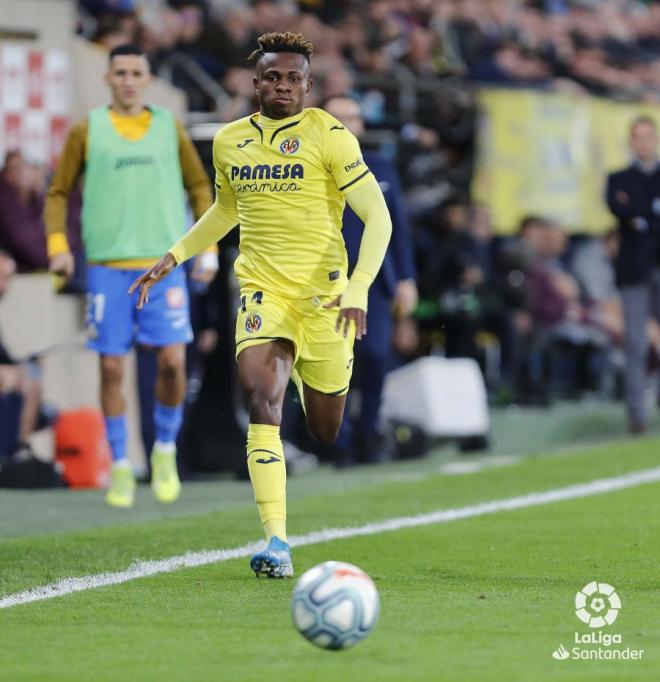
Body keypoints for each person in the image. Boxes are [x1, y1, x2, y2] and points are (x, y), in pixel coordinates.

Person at [130, 32, 392, 577]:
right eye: (273, 77)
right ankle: (277, 541)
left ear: (307, 86)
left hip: (325, 297)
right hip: (262, 291)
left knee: (324, 429)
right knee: (261, 397)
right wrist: (175, 254)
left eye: (293, 79)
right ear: (256, 83)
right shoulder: (229, 142)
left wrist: (359, 285)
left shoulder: (330, 135)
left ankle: (307, 372)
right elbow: (227, 211)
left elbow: (378, 217)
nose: (282, 86)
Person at [44, 44, 214, 507]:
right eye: (120, 72)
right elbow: (58, 191)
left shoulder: (167, 126)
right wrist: (59, 247)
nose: (128, 80)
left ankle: (164, 449)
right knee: (112, 366)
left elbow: (200, 186)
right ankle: (120, 463)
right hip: (106, 268)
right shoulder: (88, 129)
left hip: (164, 266)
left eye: (136, 72)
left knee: (174, 363)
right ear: (108, 78)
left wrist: (208, 246)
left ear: (147, 78)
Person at [323, 94, 417, 465]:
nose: (347, 124)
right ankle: (339, 442)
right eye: (337, 118)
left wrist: (406, 278)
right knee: (333, 362)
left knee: (376, 357)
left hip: (374, 281)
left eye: (353, 117)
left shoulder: (380, 167)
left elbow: (399, 227)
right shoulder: (311, 168)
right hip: (326, 282)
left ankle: (368, 434)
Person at [606, 116, 660, 434]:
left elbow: (634, 215)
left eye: (648, 136)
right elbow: (621, 210)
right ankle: (636, 412)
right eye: (637, 137)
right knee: (636, 342)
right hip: (634, 267)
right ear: (630, 141)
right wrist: (649, 212)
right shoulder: (619, 178)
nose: (643, 142)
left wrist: (638, 216)